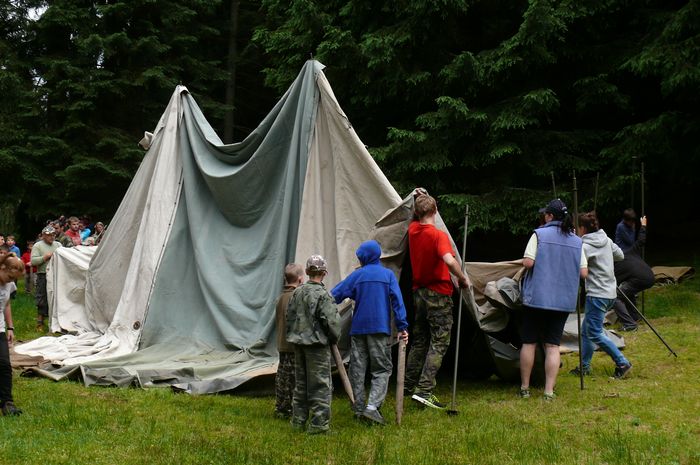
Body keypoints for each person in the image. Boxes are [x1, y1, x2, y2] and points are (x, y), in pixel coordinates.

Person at [331, 240, 409, 425]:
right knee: (381, 368)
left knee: (357, 369)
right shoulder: (387, 275)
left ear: (363, 258)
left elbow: (334, 295)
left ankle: (358, 408)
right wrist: (402, 326)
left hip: (358, 329)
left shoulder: (357, 275)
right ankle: (372, 408)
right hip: (379, 329)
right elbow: (397, 301)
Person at [405, 190, 470, 410]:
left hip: (419, 293)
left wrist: (418, 197)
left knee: (420, 340)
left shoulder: (413, 230)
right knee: (439, 341)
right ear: (436, 211)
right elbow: (449, 261)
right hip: (438, 293)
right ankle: (424, 390)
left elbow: (417, 216)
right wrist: (461, 278)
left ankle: (408, 385)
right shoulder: (438, 235)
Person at [519, 199, 588, 401]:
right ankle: (548, 391)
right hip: (563, 301)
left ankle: (525, 388)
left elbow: (528, 262)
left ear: (549, 216)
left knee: (529, 342)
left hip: (537, 298)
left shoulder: (539, 234)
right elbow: (584, 273)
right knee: (553, 346)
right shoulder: (577, 241)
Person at [571, 212, 632, 379]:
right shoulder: (606, 240)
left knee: (594, 333)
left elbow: (579, 269)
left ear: (582, 228)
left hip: (597, 294)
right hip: (610, 292)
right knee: (586, 331)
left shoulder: (584, 246)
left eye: (576, 228)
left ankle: (622, 363)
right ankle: (584, 366)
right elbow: (620, 255)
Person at [285, 255, 341, 434]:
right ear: (324, 273)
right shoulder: (323, 295)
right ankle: (318, 426)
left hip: (298, 344)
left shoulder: (297, 292)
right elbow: (332, 322)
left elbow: (289, 316)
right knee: (320, 386)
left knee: (301, 384)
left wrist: (294, 335)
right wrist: (334, 337)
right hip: (317, 347)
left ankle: (298, 421)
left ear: (307, 272)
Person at [613, 215, 654, 331]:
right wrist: (643, 225)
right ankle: (635, 317)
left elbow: (612, 284)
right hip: (650, 275)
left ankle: (629, 324)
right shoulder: (629, 252)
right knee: (627, 292)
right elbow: (641, 241)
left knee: (615, 296)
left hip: (641, 279)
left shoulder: (616, 267)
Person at [274, 263, 304, 419]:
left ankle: (281, 406)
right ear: (300, 279)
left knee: (282, 376)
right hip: (292, 345)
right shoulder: (296, 298)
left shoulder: (280, 298)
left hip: (282, 344)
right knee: (291, 379)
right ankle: (287, 408)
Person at [0, 254, 24, 415]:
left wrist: (10, 327)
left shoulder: (9, 284)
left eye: (13, 279)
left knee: (4, 364)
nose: (10, 281)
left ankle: (7, 403)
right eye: (9, 277)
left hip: (0, 328)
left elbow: (7, 304)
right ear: (2, 268)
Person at [31, 226, 62, 331]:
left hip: (57, 274)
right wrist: (45, 257)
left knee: (57, 297)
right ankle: (40, 322)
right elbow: (33, 261)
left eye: (53, 234)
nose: (51, 237)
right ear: (43, 235)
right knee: (42, 297)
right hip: (43, 275)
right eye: (49, 235)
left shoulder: (58, 245)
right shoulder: (38, 245)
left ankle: (57, 322)